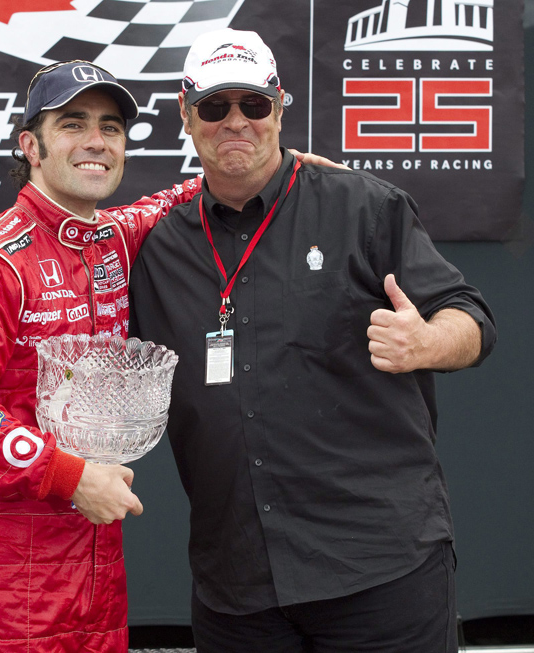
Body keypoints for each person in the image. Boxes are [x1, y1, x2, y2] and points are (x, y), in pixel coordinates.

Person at [128, 28, 497, 652]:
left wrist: (429, 343)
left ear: (280, 107)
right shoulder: (154, 247)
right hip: (236, 584)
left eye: (254, 104)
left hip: (379, 569)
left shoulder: (362, 207)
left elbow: (470, 316)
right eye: (216, 107)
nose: (236, 122)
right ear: (187, 116)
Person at [0, 60, 206, 651]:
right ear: (31, 145)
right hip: (6, 567)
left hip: (98, 557)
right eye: (73, 124)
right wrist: (70, 478)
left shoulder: (116, 236)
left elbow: (185, 193)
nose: (96, 141)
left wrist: (289, 167)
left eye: (111, 127)